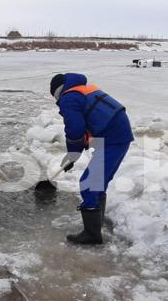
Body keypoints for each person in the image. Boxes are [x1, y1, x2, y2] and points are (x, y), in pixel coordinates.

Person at [50, 73, 134, 244]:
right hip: (117, 134)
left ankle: (92, 234)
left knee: (88, 185)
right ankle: (97, 224)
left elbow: (75, 129)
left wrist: (73, 153)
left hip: (112, 138)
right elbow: (91, 123)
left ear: (57, 92)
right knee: (97, 184)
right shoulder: (83, 90)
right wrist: (73, 154)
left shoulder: (69, 98)